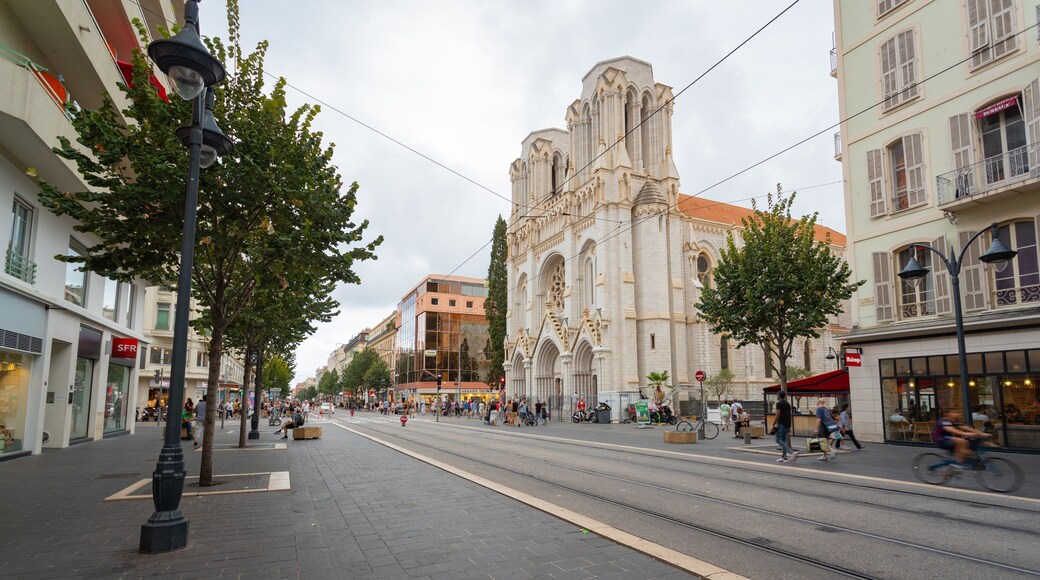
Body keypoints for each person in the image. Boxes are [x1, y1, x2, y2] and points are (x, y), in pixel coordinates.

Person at [773, 392, 797, 463]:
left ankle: (792, 452)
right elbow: (789, 415)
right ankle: (784, 457)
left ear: (779, 396)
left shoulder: (779, 404)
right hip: (787, 424)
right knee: (783, 440)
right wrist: (789, 426)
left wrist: (773, 424)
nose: (776, 397)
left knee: (778, 440)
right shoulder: (787, 404)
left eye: (777, 395)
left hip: (781, 424)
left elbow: (777, 415)